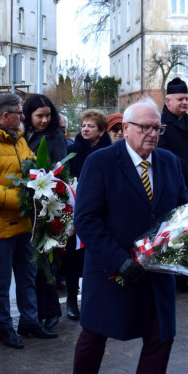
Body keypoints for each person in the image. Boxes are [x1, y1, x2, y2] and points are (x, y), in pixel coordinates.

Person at [69, 99, 188, 374]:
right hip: (112, 269)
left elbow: (182, 211)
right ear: (125, 129)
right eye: (145, 127)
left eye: (157, 128)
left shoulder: (168, 162)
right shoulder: (101, 163)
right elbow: (87, 219)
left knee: (161, 335)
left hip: (157, 269)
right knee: (94, 335)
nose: (152, 134)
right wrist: (118, 260)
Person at [0, 93, 56, 348]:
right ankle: (4, 327)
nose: (23, 116)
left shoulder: (19, 140)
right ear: (5, 117)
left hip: (24, 223)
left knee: (27, 276)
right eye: (19, 112)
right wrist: (23, 200)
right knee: (1, 281)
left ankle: (28, 322)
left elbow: (31, 171)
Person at [23, 94, 68, 330]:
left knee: (44, 262)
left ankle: (50, 311)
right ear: (29, 116)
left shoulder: (55, 137)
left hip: (46, 204)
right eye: (39, 115)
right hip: (26, 205)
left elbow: (61, 168)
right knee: (29, 266)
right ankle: (31, 312)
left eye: (48, 115)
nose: (44, 120)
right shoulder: (22, 136)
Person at [158, 77, 188, 292]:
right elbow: (165, 153)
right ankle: (174, 274)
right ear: (168, 101)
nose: (185, 102)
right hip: (175, 186)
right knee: (176, 232)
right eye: (180, 99)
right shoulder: (162, 125)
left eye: (186, 99)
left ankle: (186, 272)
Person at [65, 109, 113, 319]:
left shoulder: (111, 152)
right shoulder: (74, 152)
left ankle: (96, 298)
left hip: (102, 211)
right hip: (79, 211)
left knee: (96, 255)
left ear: (101, 130)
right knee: (73, 257)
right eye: (84, 125)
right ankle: (70, 299)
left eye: (90, 126)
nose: (85, 129)